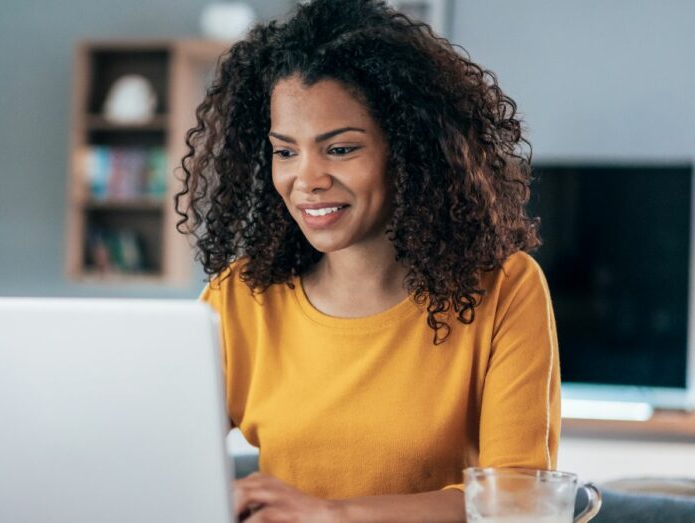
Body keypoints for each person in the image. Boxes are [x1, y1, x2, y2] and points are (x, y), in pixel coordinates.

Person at [174, 0, 560, 521]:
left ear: (408, 151)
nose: (305, 179)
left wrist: (333, 515)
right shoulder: (240, 297)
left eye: (340, 149)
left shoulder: (505, 288)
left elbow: (519, 500)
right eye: (285, 152)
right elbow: (158, 456)